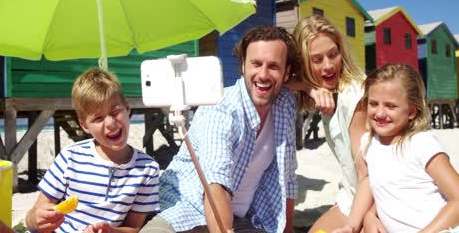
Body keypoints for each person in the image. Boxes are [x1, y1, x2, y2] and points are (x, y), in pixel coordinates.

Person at [142, 25, 301, 233]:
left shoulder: (285, 105)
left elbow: (287, 180)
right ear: (243, 65)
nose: (263, 74)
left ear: (287, 72)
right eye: (256, 64)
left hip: (241, 218)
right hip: (183, 208)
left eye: (273, 66)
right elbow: (216, 185)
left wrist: (312, 88)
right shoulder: (220, 109)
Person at [25, 68, 160, 233]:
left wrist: (111, 231)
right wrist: (37, 219)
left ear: (127, 108)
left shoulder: (147, 169)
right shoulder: (70, 157)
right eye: (98, 118)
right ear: (84, 125)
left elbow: (134, 227)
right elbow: (32, 218)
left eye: (115, 112)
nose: (110, 123)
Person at [334, 63, 459, 232]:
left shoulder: (421, 144)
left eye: (390, 106)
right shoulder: (370, 144)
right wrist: (355, 223)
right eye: (373, 103)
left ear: (412, 111)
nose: (379, 113)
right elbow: (373, 183)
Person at [289, 15, 369, 232]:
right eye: (317, 60)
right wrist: (307, 87)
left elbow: (367, 172)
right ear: (303, 63)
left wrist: (365, 219)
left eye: (333, 55)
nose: (328, 66)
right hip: (350, 194)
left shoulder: (353, 96)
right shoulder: (331, 91)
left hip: (370, 199)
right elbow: (275, 83)